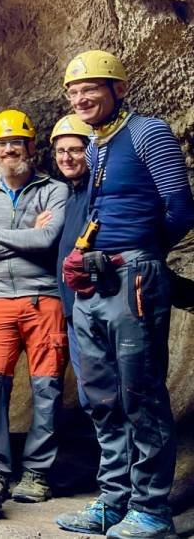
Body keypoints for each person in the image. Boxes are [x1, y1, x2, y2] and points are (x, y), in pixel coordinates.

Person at [54, 51, 194, 538]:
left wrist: (140, 252)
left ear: (118, 88)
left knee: (141, 394)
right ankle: (114, 503)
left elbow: (179, 208)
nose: (81, 97)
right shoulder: (94, 148)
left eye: (92, 87)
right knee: (102, 398)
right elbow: (99, 212)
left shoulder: (147, 132)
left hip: (133, 278)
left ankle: (152, 510)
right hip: (93, 280)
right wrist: (83, 253)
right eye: (74, 91)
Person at [0, 110, 69, 503]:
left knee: (47, 388)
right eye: (1, 144)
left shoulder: (54, 190)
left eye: (16, 142)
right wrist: (29, 233)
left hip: (45, 299)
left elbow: (50, 240)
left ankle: (38, 473)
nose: (9, 150)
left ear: (30, 146)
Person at [47, 115, 94, 409]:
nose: (67, 158)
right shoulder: (69, 196)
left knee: (106, 390)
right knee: (90, 394)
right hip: (73, 310)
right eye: (61, 151)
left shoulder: (98, 192)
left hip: (95, 307)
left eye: (75, 150)